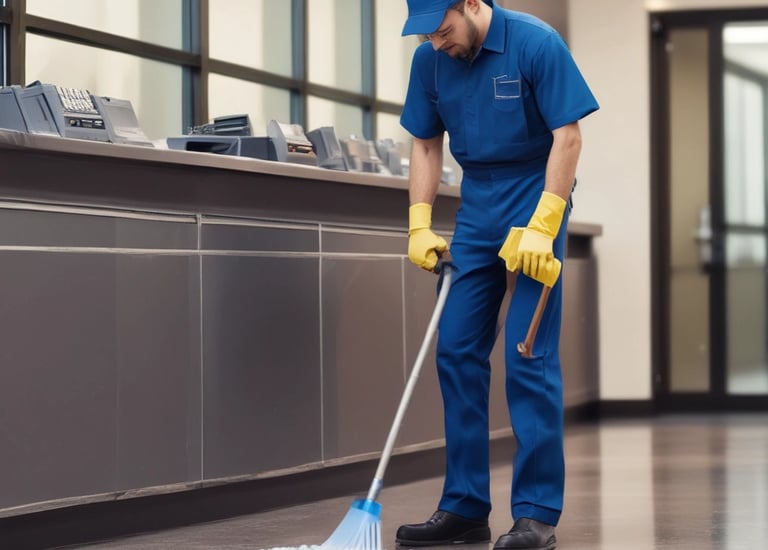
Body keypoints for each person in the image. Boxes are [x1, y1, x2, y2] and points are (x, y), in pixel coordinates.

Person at [396, 1, 599, 549]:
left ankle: (535, 514)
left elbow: (568, 136)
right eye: (427, 37)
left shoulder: (535, 42)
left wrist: (545, 223)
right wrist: (418, 224)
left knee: (526, 353)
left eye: (442, 31)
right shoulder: (430, 61)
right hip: (477, 207)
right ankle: (464, 507)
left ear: (471, 4)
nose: (437, 44)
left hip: (536, 198)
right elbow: (423, 141)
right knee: (456, 350)